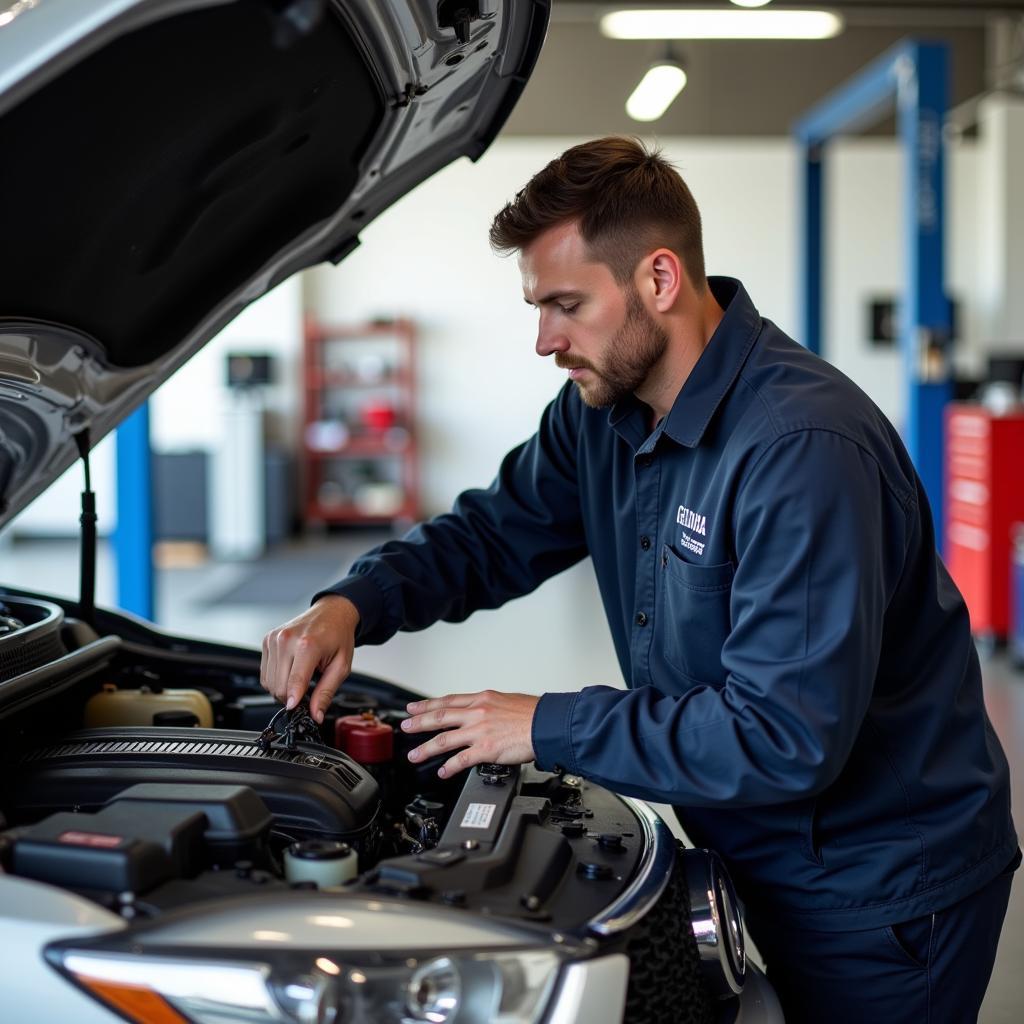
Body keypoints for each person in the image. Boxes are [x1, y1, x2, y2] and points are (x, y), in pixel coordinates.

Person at [261, 136, 1017, 1022]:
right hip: (744, 850)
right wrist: (352, 603)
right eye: (537, 307)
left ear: (659, 280)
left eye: (566, 305)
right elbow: (492, 534)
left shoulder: (799, 450)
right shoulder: (600, 415)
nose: (545, 340)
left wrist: (545, 724)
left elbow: (782, 735)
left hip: (880, 891)